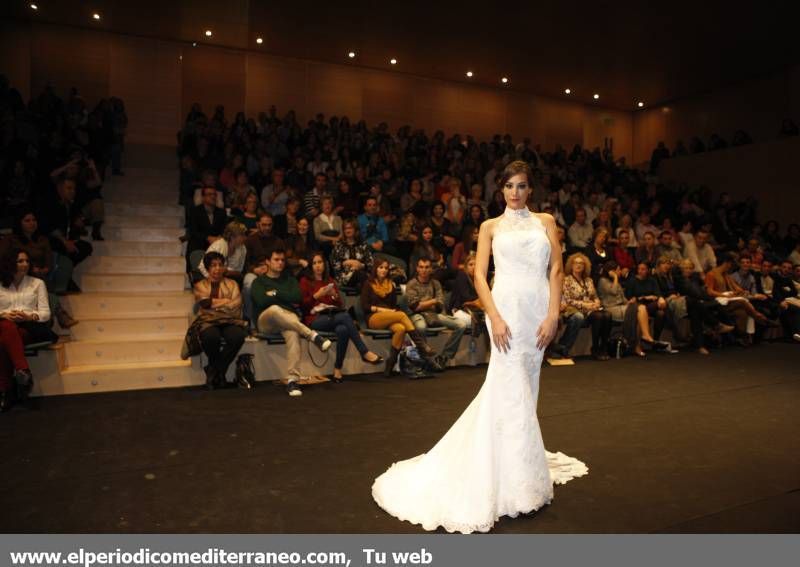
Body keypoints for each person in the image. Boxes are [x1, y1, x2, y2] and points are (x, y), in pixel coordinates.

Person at [372, 160, 588, 533]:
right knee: (510, 386)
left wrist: (554, 314)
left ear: (530, 189)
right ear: (500, 190)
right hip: (504, 309)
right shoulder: (489, 227)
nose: (515, 193)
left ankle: (515, 466)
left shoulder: (546, 221)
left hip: (538, 309)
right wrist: (496, 316)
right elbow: (478, 274)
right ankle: (508, 477)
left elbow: (556, 269)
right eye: (509, 186)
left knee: (526, 388)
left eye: (521, 186)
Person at [252, 248, 332, 397]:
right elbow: (261, 300)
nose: (280, 263)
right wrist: (282, 297)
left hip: (288, 319)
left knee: (294, 333)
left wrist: (274, 293)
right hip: (266, 320)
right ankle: (312, 335)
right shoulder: (259, 281)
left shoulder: (289, 279)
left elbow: (296, 297)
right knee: (275, 309)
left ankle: (293, 380)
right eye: (276, 259)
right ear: (268, 262)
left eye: (282, 260)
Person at [299, 252, 383, 382]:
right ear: (310, 266)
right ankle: (364, 352)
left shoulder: (330, 281)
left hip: (332, 315)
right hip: (314, 319)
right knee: (344, 317)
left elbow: (339, 305)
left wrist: (334, 296)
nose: (317, 266)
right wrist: (317, 295)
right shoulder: (305, 281)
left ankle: (337, 369)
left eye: (320, 262)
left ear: (324, 264)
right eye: (314, 263)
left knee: (343, 330)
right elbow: (302, 306)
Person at [0, 248, 58, 410]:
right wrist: (4, 314)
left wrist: (28, 316)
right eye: (20, 261)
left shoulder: (37, 283)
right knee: (7, 326)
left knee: (5, 338)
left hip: (28, 329)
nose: (25, 264)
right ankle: (23, 371)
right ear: (9, 263)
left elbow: (45, 314)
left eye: (27, 261)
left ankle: (4, 390)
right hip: (4, 326)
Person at [361, 259, 436, 376]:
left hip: (389, 316)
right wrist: (382, 310)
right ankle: (421, 345)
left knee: (401, 329)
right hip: (373, 317)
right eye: (381, 267)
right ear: (375, 269)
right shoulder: (368, 284)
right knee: (402, 315)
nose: (384, 270)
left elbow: (393, 305)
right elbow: (365, 306)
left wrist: (390, 311)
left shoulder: (390, 285)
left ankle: (390, 365)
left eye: (386, 268)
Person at [189, 252, 248, 390]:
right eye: (213, 265)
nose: (217, 269)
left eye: (220, 265)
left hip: (230, 320)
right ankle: (220, 373)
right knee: (210, 337)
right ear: (207, 268)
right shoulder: (199, 285)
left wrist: (215, 305)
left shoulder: (232, 283)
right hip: (208, 320)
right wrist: (226, 302)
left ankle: (213, 370)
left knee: (238, 336)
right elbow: (204, 303)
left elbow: (237, 304)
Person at [405, 257, 468, 369]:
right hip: (416, 315)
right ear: (417, 269)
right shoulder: (411, 284)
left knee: (461, 325)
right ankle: (425, 359)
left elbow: (440, 303)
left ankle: (444, 356)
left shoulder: (436, 283)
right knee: (421, 327)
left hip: (433, 315)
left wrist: (424, 303)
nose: (424, 270)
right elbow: (415, 307)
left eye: (427, 267)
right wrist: (433, 301)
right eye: (421, 267)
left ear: (431, 269)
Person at [557, 252, 613, 360]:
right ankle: (595, 349)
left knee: (607, 315)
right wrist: (586, 305)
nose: (578, 265)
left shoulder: (589, 280)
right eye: (576, 263)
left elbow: (595, 296)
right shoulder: (566, 280)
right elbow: (568, 300)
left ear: (585, 266)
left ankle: (602, 348)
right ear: (571, 265)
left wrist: (597, 303)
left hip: (589, 311)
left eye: (581, 264)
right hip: (573, 310)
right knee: (598, 316)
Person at [197, 221, 248, 285]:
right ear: (232, 236)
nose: (245, 238)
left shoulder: (242, 249)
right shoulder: (218, 246)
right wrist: (213, 281)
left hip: (231, 281)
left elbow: (239, 270)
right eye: (242, 235)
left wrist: (228, 272)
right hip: (212, 280)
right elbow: (202, 266)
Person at [330, 219, 374, 290]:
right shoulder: (339, 245)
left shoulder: (363, 244)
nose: (347, 230)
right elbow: (334, 264)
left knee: (362, 275)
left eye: (350, 228)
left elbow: (370, 264)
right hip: (345, 276)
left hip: (362, 274)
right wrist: (345, 263)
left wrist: (361, 265)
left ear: (355, 229)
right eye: (345, 228)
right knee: (360, 276)